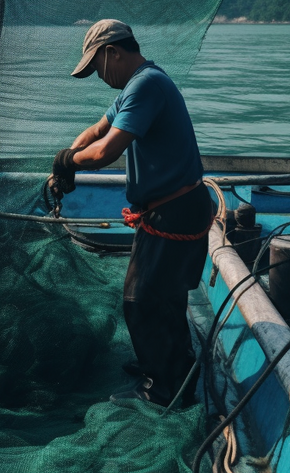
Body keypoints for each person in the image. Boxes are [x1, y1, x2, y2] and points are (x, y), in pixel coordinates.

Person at [51, 20, 212, 407]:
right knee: (163, 296)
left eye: (96, 66)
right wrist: (66, 166)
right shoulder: (136, 87)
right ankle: (173, 364)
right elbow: (96, 132)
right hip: (165, 209)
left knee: (141, 301)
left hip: (175, 209)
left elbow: (107, 152)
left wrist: (69, 161)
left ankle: (162, 389)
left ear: (113, 52)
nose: (98, 75)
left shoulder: (146, 85)